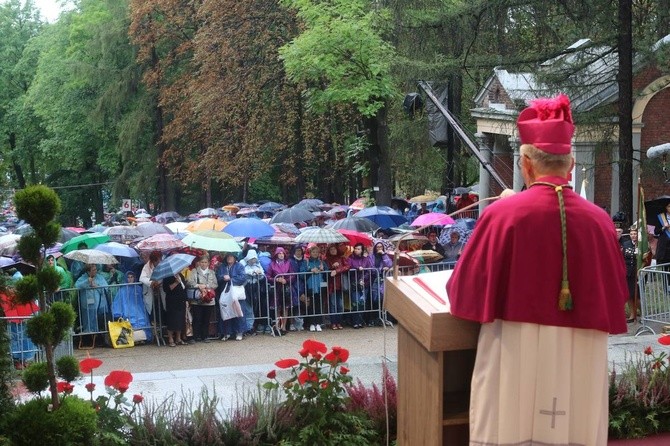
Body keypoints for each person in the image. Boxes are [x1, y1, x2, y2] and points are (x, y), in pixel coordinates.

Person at [446, 94, 627, 446]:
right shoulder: (600, 222)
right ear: (570, 164)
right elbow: (618, 295)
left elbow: (463, 293)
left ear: (525, 164)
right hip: (582, 353)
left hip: (513, 351)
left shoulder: (502, 216)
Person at [186, 254, 217, 343]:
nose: (203, 264)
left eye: (205, 262)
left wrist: (206, 286)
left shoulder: (211, 272)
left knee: (206, 319)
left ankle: (205, 336)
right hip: (197, 298)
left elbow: (215, 284)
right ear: (199, 263)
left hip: (208, 298)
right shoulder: (194, 271)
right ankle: (195, 336)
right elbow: (189, 282)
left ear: (208, 263)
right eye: (202, 262)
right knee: (197, 318)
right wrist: (198, 285)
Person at [217, 252, 247, 341]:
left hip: (236, 293)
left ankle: (239, 331)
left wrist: (231, 279)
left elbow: (243, 278)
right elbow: (218, 277)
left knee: (238, 311)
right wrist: (223, 277)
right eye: (228, 257)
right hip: (225, 292)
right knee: (226, 311)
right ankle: (227, 332)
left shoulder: (239, 266)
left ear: (234, 258)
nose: (229, 258)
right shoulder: (222, 267)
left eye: (231, 257)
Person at [75, 264, 110, 333]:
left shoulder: (99, 277)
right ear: (88, 271)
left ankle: (97, 335)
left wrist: (96, 286)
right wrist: (87, 281)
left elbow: (106, 288)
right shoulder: (83, 278)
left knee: (98, 321)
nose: (95, 271)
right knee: (87, 320)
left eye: (96, 269)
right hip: (87, 305)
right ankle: (88, 335)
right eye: (93, 270)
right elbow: (77, 286)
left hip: (99, 305)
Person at [265, 247, 292, 335]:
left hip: (286, 287)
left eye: (282, 253)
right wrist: (276, 280)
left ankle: (283, 327)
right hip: (276, 288)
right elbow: (268, 276)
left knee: (285, 307)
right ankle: (277, 326)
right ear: (276, 254)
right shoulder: (271, 264)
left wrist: (286, 280)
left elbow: (293, 275)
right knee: (277, 307)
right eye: (279, 253)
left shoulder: (288, 263)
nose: (281, 255)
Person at [346, 242, 373, 329]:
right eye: (356, 248)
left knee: (362, 302)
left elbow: (368, 271)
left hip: (364, 283)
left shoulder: (366, 259)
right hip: (354, 282)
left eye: (358, 249)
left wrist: (363, 279)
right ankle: (355, 321)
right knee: (355, 302)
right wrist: (357, 269)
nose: (356, 250)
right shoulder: (350, 258)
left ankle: (360, 321)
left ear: (362, 250)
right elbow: (349, 267)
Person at [324, 244, 349, 330]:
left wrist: (338, 269)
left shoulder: (342, 258)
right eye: (331, 249)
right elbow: (326, 270)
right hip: (332, 285)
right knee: (333, 304)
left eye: (334, 249)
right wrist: (332, 267)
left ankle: (339, 322)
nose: (333, 251)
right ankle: (333, 322)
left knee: (340, 305)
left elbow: (347, 266)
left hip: (341, 284)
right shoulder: (327, 260)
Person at [162, 270, 188, 347]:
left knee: (180, 319)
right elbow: (166, 289)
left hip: (181, 301)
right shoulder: (167, 277)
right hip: (172, 301)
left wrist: (186, 300)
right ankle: (170, 339)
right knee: (172, 320)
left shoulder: (181, 275)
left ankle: (178, 338)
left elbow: (184, 288)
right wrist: (176, 282)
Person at [305, 245, 326, 332]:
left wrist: (323, 269)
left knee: (319, 304)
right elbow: (302, 272)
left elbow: (326, 272)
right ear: (310, 253)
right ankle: (311, 323)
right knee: (311, 305)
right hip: (310, 286)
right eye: (313, 252)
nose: (315, 254)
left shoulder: (321, 262)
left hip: (320, 285)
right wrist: (310, 270)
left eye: (316, 252)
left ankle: (318, 323)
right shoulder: (306, 262)